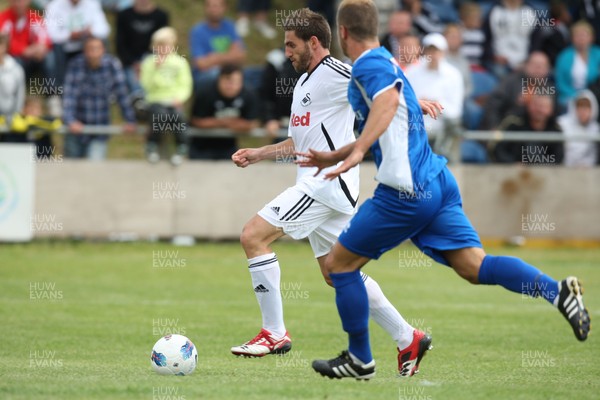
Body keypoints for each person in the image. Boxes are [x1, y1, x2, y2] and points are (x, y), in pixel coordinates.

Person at [298, 0, 590, 380]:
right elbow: (391, 115)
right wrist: (337, 154)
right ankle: (558, 292)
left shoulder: (367, 65)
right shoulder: (386, 60)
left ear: (344, 33)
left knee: (338, 266)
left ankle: (360, 358)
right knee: (474, 266)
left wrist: (353, 154)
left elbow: (386, 104)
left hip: (404, 194)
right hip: (436, 182)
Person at [230, 8, 441, 376]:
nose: (287, 52)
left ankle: (274, 333)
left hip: (325, 184)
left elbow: (380, 84)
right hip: (327, 188)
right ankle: (408, 336)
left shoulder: (334, 71)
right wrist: (260, 153)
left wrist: (413, 100)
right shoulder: (303, 84)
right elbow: (299, 141)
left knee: (253, 236)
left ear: (314, 42)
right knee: (337, 273)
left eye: (292, 45)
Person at [62, 37, 136, 160]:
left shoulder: (112, 65)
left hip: (100, 128)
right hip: (76, 129)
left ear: (103, 50)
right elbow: (70, 95)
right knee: (71, 171)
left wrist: (130, 120)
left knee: (94, 169)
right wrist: (70, 120)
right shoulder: (75, 65)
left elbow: (122, 94)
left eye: (96, 49)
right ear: (84, 51)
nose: (93, 53)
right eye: (90, 49)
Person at [406, 33, 464, 162]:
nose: (433, 54)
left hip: (443, 131)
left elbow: (456, 112)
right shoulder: (412, 71)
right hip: (415, 130)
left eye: (436, 50)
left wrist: (435, 104)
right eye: (430, 50)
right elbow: (405, 101)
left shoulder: (453, 75)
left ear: (443, 52)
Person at [140, 27, 192, 165]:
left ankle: (182, 148)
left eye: (166, 44)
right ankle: (151, 145)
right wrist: (157, 70)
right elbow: (146, 85)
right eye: (159, 45)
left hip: (174, 101)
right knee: (160, 116)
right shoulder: (148, 63)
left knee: (179, 117)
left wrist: (179, 98)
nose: (162, 48)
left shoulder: (180, 63)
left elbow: (185, 84)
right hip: (155, 100)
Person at [189, 63, 257, 160]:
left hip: (229, 149)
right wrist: (226, 122)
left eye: (234, 82)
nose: (230, 86)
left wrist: (216, 122)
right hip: (201, 148)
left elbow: (251, 124)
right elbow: (196, 121)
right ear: (219, 80)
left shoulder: (248, 95)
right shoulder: (205, 93)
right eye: (227, 81)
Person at [480, 51, 553, 130]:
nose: (538, 69)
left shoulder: (549, 87)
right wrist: (493, 127)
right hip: (508, 130)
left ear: (548, 69)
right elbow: (493, 106)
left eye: (542, 66)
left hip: (538, 134)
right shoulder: (510, 82)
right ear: (526, 65)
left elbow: (554, 113)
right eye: (535, 65)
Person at [116, 0, 169, 96]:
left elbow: (163, 44)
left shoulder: (162, 16)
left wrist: (148, 64)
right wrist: (133, 63)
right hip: (129, 63)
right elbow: (120, 44)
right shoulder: (124, 15)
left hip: (154, 62)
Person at [493, 93, 563, 165]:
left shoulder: (555, 130)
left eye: (543, 107)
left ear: (551, 109)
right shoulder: (513, 123)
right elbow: (497, 149)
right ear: (528, 106)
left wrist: (541, 168)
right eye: (536, 105)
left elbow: (558, 158)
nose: (539, 110)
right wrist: (512, 164)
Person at [189, 0, 246, 88]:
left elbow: (240, 55)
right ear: (206, 8)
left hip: (229, 71)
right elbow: (200, 63)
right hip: (206, 76)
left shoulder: (230, 26)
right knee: (220, 75)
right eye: (211, 6)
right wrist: (229, 55)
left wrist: (215, 57)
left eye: (218, 6)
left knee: (253, 74)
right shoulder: (197, 31)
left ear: (225, 8)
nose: (214, 9)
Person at [482, 0, 536, 78]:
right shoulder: (494, 11)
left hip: (524, 61)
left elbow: (536, 40)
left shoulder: (530, 11)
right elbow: (486, 38)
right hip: (499, 61)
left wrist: (529, 60)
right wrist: (492, 56)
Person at [0, 0, 52, 79]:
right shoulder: (3, 18)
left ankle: (52, 88)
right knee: (12, 61)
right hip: (15, 58)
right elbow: (3, 42)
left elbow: (44, 37)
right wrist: (24, 50)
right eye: (15, 1)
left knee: (49, 56)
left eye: (21, 1)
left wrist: (40, 47)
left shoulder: (33, 17)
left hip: (33, 58)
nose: (18, 4)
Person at [555, 20, 600, 108]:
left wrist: (588, 96)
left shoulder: (598, 54)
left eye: (584, 35)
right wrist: (577, 96)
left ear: (591, 38)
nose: (581, 39)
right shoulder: (564, 56)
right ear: (572, 39)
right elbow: (560, 82)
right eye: (578, 36)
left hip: (594, 96)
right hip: (569, 97)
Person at [557, 90, 599, 167]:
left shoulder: (596, 130)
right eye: (579, 107)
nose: (583, 111)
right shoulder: (561, 124)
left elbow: (594, 155)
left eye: (586, 107)